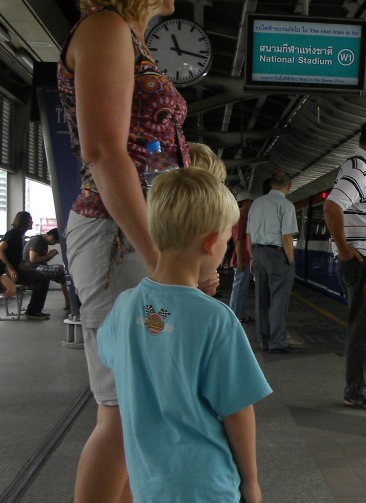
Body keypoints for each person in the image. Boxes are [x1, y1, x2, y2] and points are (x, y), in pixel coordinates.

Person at [57, 0, 192, 502]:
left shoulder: (128, 38)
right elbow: (105, 152)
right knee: (123, 414)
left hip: (132, 236)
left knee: (144, 411)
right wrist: (159, 256)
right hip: (118, 240)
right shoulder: (107, 29)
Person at [98, 167, 272, 502]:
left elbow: (112, 358)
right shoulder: (216, 319)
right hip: (206, 486)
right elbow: (237, 411)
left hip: (147, 481)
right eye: (225, 239)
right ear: (210, 243)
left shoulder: (125, 305)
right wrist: (250, 482)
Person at [324, 118, 366, 411]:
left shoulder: (361, 168)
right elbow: (332, 206)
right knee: (365, 329)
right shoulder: (359, 169)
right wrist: (344, 249)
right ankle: (356, 392)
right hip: (362, 264)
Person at [247, 170, 300, 353]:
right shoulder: (286, 205)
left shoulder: (256, 204)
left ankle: (265, 341)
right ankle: (278, 342)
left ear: (270, 184)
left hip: (258, 253)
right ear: (289, 186)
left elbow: (248, 234)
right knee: (278, 299)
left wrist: (252, 256)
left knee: (261, 299)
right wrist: (291, 262)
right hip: (276, 256)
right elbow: (286, 237)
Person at [0, 212, 51, 319]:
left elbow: (13, 258)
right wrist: (10, 269)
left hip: (14, 270)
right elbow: (0, 250)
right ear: (24, 221)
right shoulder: (13, 234)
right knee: (42, 278)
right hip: (7, 272)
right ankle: (33, 311)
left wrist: (24, 267)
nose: (32, 222)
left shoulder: (18, 235)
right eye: (30, 220)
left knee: (40, 276)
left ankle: (33, 309)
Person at [22, 228, 73, 310]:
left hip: (38, 266)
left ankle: (69, 303)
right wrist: (49, 255)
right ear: (51, 236)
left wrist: (50, 256)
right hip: (31, 268)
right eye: (55, 242)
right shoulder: (37, 240)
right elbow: (33, 259)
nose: (54, 244)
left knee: (64, 275)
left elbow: (42, 259)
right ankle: (70, 302)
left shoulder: (44, 242)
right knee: (61, 269)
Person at [229, 190, 255, 322]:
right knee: (239, 288)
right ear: (244, 202)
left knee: (242, 288)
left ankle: (239, 314)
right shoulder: (239, 218)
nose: (252, 204)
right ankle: (235, 316)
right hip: (242, 258)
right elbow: (238, 240)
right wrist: (240, 260)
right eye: (251, 202)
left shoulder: (245, 218)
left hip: (245, 257)